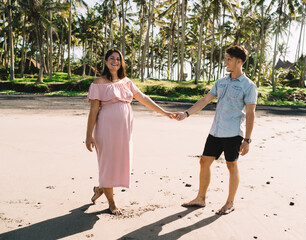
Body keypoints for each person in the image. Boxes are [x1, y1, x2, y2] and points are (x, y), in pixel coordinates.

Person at [85, 49, 175, 215]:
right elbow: (93, 110)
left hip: (124, 130)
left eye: (118, 59)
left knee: (118, 162)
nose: (115, 61)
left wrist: (165, 112)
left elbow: (144, 99)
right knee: (107, 163)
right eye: (111, 58)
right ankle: (111, 202)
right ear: (105, 62)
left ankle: (100, 188)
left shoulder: (126, 82)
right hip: (105, 129)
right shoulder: (98, 82)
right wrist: (88, 135)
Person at [175, 45, 257, 215]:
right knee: (204, 161)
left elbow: (250, 114)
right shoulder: (221, 82)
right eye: (226, 58)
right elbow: (205, 100)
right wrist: (186, 114)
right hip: (216, 131)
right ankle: (201, 198)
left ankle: (229, 203)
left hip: (234, 133)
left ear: (239, 61)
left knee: (231, 165)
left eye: (229, 59)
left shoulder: (249, 86)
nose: (225, 62)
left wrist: (247, 140)